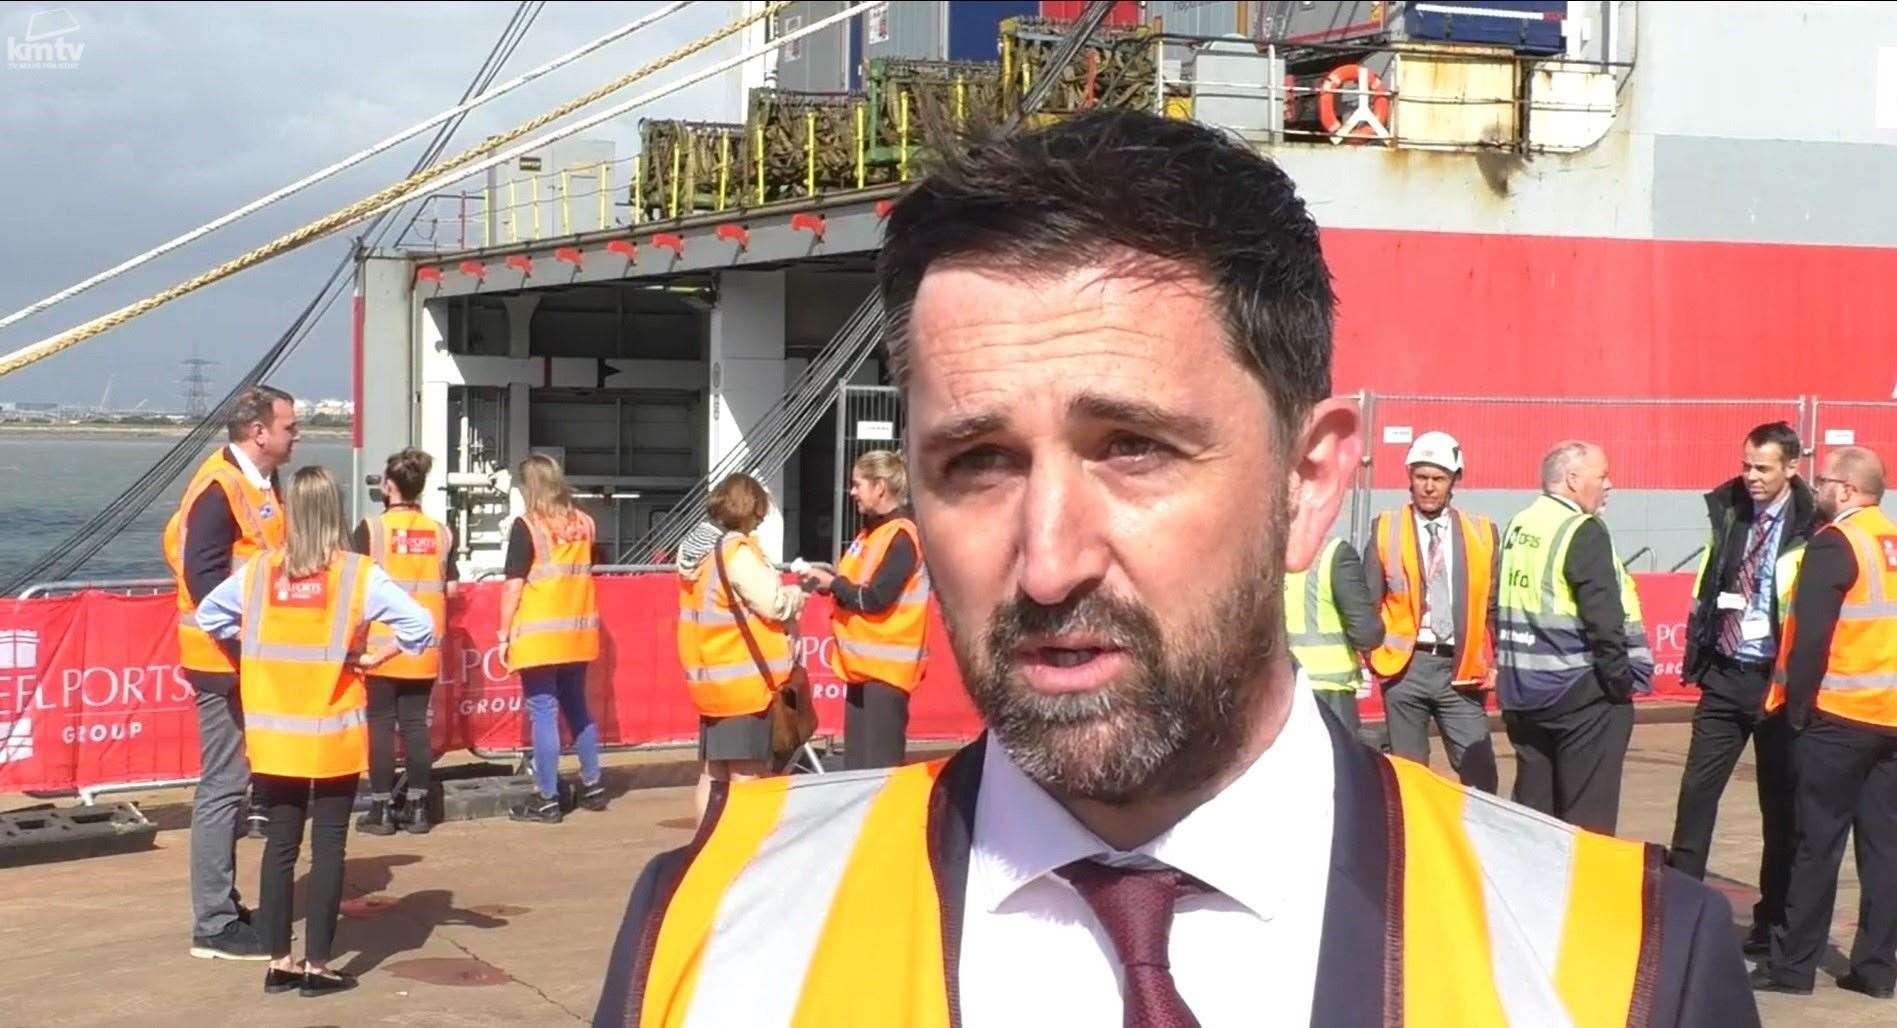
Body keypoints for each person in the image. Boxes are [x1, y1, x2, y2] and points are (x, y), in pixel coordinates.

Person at [594, 110, 1752, 1027]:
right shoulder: (705, 928)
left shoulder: (1628, 967)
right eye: (979, 461)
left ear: (1307, 482)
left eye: (1133, 447)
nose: (1047, 562)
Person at [195, 466, 434, 997]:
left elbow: (210, 615)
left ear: (293, 515)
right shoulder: (357, 574)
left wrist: (252, 641)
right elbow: (421, 626)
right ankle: (317, 965)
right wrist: (374, 653)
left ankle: (278, 960)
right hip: (330, 735)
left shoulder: (259, 571)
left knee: (279, 846)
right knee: (328, 848)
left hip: (275, 734)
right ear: (336, 513)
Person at [1752, 446, 1897, 1000]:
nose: (1816, 489)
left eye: (1822, 481)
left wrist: (1797, 711)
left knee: (1816, 844)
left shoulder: (1835, 542)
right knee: (1884, 849)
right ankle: (1877, 968)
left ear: (1846, 490)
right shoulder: (1889, 540)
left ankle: (1792, 968)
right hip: (1888, 721)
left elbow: (1810, 639)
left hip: (1839, 718)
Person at [1667, 421, 1814, 954]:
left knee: (1780, 809)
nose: (1750, 476)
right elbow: (1714, 580)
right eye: (1747, 464)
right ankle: (1680, 911)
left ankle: (1771, 920)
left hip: (1776, 684)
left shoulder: (1812, 523)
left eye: (1763, 468)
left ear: (1792, 468)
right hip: (1725, 674)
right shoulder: (1729, 509)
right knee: (1695, 794)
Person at [163, 384, 295, 961]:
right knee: (220, 789)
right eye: (289, 426)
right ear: (259, 432)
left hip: (240, 658)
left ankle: (221, 906)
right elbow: (204, 579)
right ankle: (212, 924)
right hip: (223, 663)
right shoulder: (221, 489)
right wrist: (249, 646)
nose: (296, 434)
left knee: (231, 787)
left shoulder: (256, 483)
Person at [1494, 441, 1654, 834]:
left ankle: (1533, 892)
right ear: (1572, 479)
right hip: (1578, 696)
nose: (1609, 486)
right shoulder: (1582, 529)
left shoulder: (1521, 523)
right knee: (1587, 825)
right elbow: (1604, 619)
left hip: (1524, 693)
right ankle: (1583, 895)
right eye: (1602, 477)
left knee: (1536, 819)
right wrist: (1619, 684)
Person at [1363, 431, 1501, 792]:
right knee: (1409, 780)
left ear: (1454, 480)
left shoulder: (1483, 533)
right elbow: (1368, 604)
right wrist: (1375, 657)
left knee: (1480, 775)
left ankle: (1477, 846)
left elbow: (1494, 605)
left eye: (1438, 478)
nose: (1428, 487)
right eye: (1421, 477)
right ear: (1409, 477)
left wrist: (1500, 662)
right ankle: (1415, 848)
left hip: (1461, 671)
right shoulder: (1386, 527)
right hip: (1404, 669)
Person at [676, 474, 807, 821]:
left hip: (712, 682)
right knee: (747, 775)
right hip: (745, 685)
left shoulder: (698, 552)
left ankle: (707, 844)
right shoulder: (735, 553)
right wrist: (796, 597)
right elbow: (772, 603)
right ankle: (746, 851)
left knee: (713, 772)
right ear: (752, 509)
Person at [351, 448, 458, 836]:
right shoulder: (442, 533)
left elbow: (352, 585)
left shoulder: (371, 529)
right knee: (415, 724)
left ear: (389, 486)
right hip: (424, 646)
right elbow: (453, 587)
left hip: (379, 646)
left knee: (380, 724)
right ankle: (416, 807)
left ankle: (380, 809)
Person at [803, 450, 931, 769]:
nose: (852, 492)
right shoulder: (870, 534)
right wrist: (831, 583)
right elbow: (857, 587)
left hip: (885, 674)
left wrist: (833, 585)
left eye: (858, 484)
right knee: (859, 772)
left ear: (880, 487)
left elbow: (876, 599)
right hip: (862, 669)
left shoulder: (901, 536)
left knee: (879, 772)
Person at [501, 453, 607, 824]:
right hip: (577, 632)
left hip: (539, 635)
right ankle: (593, 785)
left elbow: (514, 586)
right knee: (577, 706)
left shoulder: (527, 526)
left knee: (543, 713)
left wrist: (503, 635)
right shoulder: (586, 523)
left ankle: (546, 797)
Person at [1281, 533, 1381, 739]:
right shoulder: (1333, 554)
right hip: (1329, 687)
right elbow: (1366, 633)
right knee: (1336, 764)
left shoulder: (1260, 552)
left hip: (1277, 687)